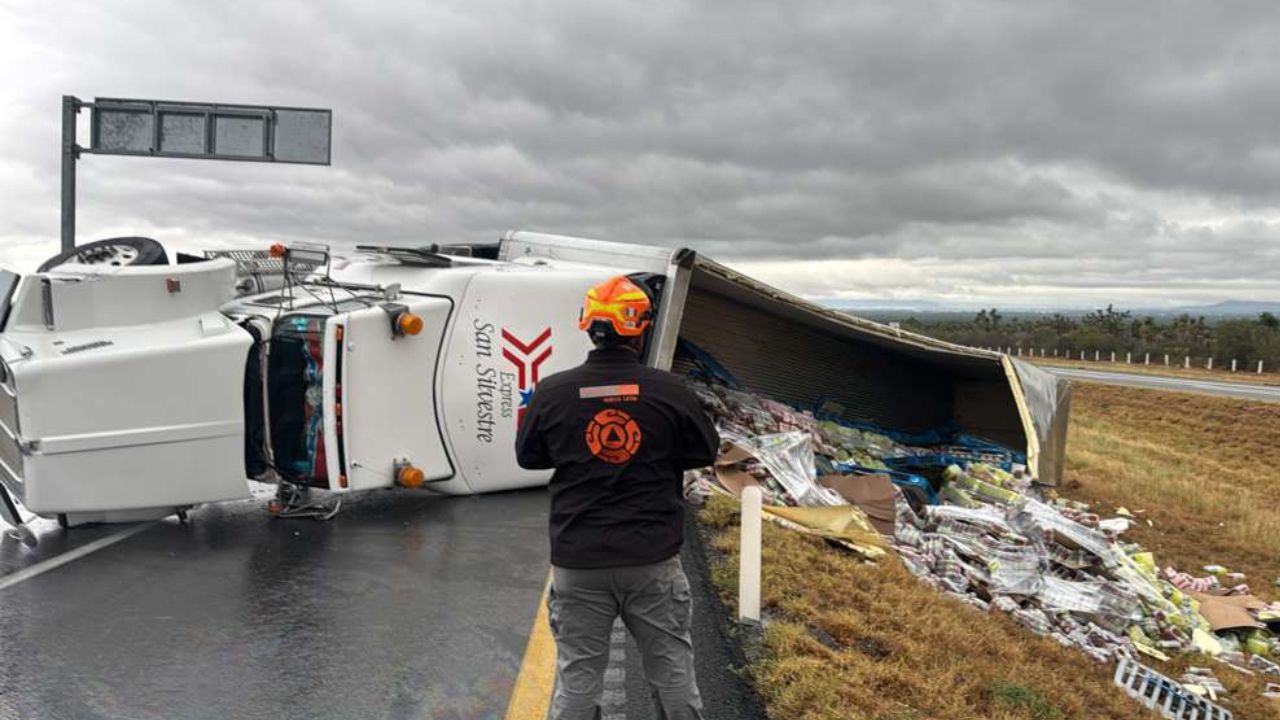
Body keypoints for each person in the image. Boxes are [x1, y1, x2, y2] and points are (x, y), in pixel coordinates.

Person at [515, 275, 720, 720]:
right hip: (652, 559)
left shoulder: (553, 392)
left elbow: (528, 457)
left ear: (588, 326)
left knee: (577, 679)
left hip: (578, 559)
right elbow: (705, 450)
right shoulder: (670, 390)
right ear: (640, 328)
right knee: (672, 672)